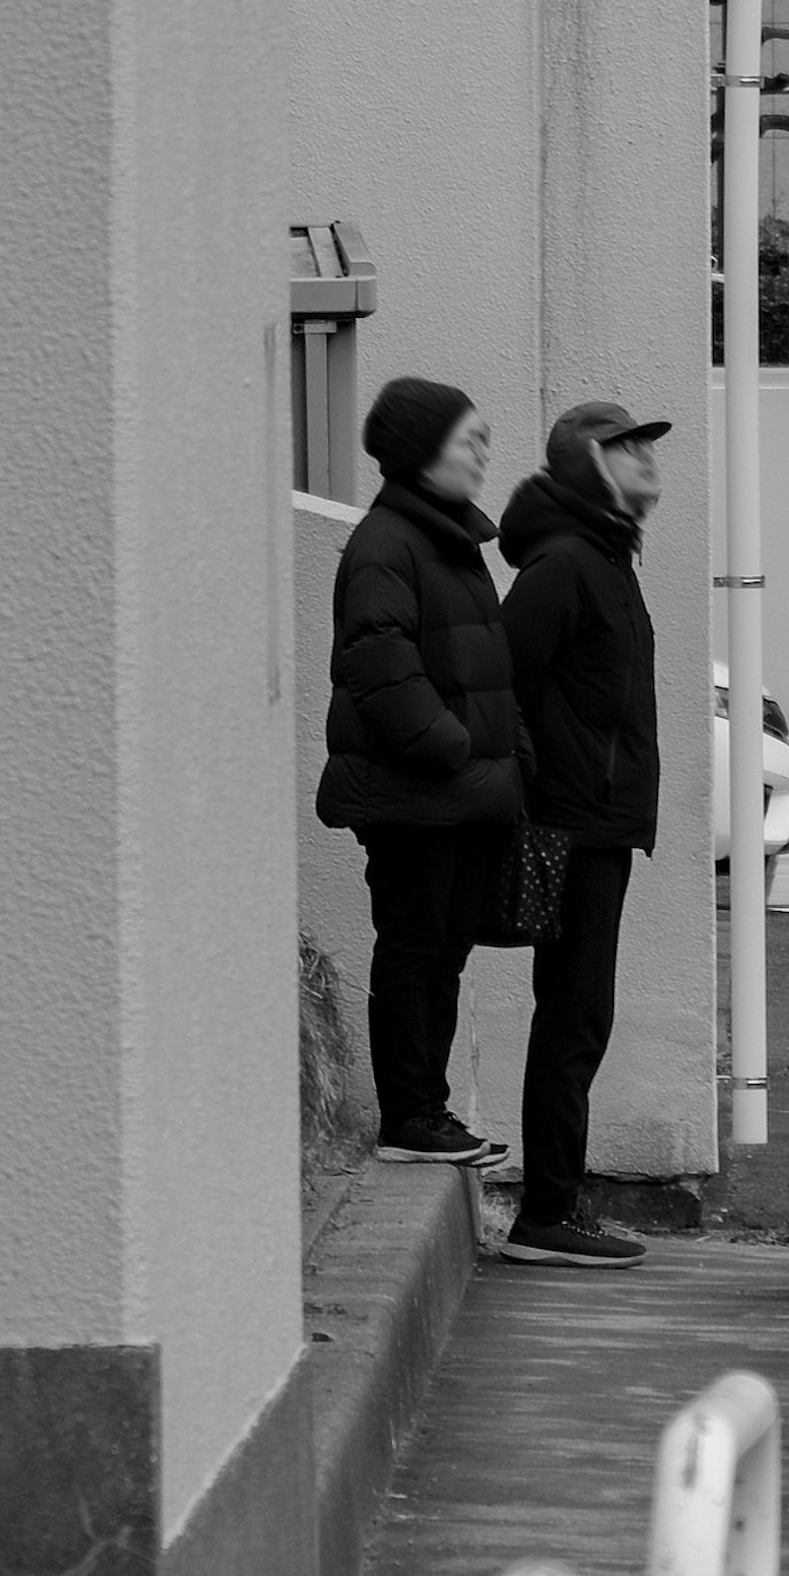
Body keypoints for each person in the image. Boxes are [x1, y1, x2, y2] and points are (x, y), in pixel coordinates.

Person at [316, 375, 523, 1161]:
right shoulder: (388, 543)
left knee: (442, 954)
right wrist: (453, 746)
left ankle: (428, 1111)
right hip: (416, 796)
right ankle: (410, 1116)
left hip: (458, 795)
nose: (482, 452)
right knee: (413, 948)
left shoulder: (445, 539)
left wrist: (505, 754)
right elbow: (378, 664)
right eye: (467, 438)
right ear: (420, 449)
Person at [494, 395, 669, 1271]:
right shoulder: (566, 565)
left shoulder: (607, 558)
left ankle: (553, 1207)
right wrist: (541, 794)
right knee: (572, 1017)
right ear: (589, 465)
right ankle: (547, 1213)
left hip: (596, 827)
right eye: (630, 449)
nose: (649, 461)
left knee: (579, 1015)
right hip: (569, 828)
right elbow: (501, 685)